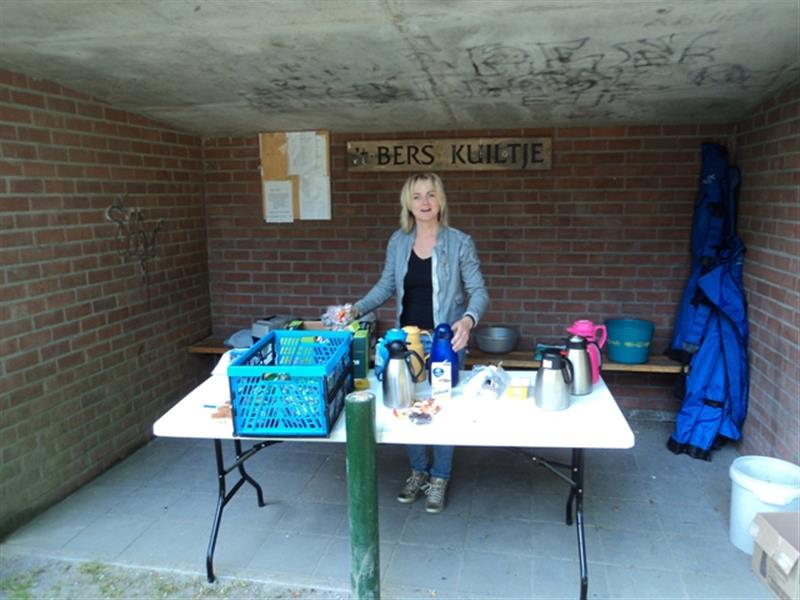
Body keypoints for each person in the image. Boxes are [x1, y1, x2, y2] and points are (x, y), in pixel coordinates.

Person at [352, 172, 489, 513]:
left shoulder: (459, 242)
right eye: (417, 196)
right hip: (408, 342)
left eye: (431, 194)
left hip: (444, 342)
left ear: (440, 200)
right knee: (407, 404)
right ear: (408, 204)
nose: (424, 202)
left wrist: (467, 321)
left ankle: (439, 476)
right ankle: (418, 471)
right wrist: (355, 309)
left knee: (443, 407)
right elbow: (386, 286)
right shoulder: (399, 241)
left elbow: (479, 291)